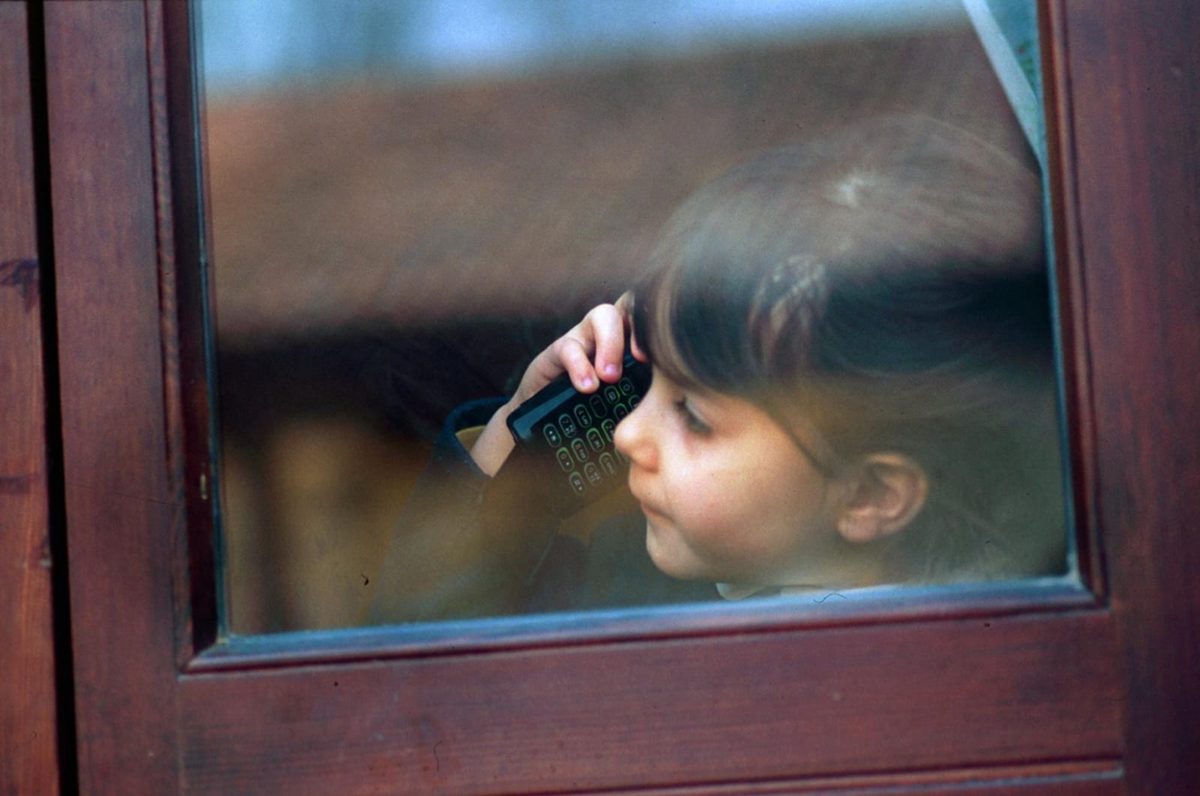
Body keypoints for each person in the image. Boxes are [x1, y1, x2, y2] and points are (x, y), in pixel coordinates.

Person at [369, 115, 1067, 624]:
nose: (626, 435)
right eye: (648, 381)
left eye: (693, 417)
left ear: (870, 494)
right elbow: (413, 633)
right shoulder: (654, 561)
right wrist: (515, 429)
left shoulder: (662, 623)